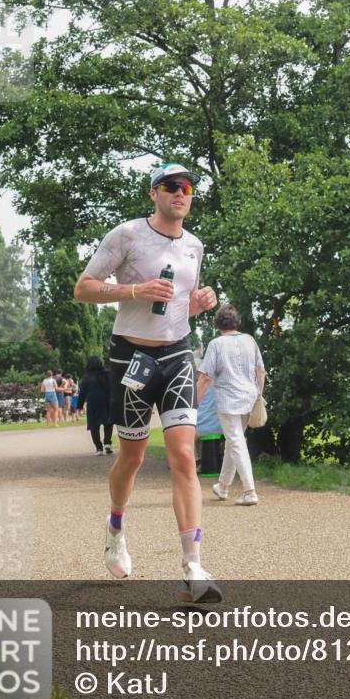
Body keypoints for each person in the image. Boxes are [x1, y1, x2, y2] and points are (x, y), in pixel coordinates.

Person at [73, 162, 220, 602]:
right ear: (154, 193)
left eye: (188, 187)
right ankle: (115, 526)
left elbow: (177, 309)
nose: (181, 193)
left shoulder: (194, 245)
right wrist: (134, 291)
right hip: (131, 357)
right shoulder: (127, 235)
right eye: (172, 186)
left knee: (183, 457)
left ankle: (193, 566)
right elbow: (83, 288)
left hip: (177, 354)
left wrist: (198, 304)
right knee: (132, 459)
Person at [198, 304, 265, 506]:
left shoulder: (216, 344)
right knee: (233, 441)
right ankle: (223, 486)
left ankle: (250, 491)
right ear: (237, 322)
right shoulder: (250, 340)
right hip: (249, 397)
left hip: (228, 399)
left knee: (236, 442)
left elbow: (205, 377)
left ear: (218, 323)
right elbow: (261, 372)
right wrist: (259, 395)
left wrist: (194, 402)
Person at [77, 356, 113, 456]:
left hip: (93, 403)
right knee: (108, 423)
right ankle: (107, 442)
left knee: (94, 426)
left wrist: (79, 406)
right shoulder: (107, 374)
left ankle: (99, 448)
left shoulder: (87, 377)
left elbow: (82, 393)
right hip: (106, 401)